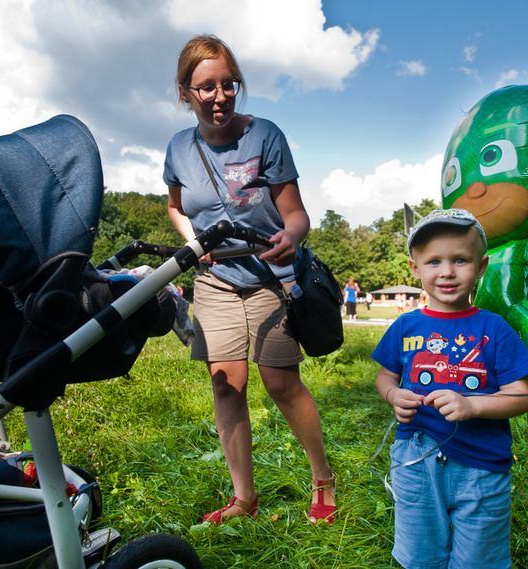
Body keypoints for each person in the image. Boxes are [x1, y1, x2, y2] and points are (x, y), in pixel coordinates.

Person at [163, 35, 336, 525]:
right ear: (185, 92)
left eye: (228, 85)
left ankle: (322, 477)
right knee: (226, 385)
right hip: (215, 279)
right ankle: (244, 499)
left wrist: (291, 237)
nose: (219, 97)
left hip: (269, 276)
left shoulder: (265, 136)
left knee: (280, 381)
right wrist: (193, 242)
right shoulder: (179, 148)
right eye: (206, 88)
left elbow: (296, 214)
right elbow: (176, 207)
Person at [371, 209, 528, 568]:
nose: (446, 271)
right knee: (421, 556)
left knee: (478, 561)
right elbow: (385, 377)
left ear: (481, 266)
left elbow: (521, 395)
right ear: (415, 268)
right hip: (416, 461)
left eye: (460, 260)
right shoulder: (405, 326)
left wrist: (473, 406)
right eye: (434, 261)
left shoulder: (494, 328)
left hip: (482, 467)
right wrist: (393, 395)